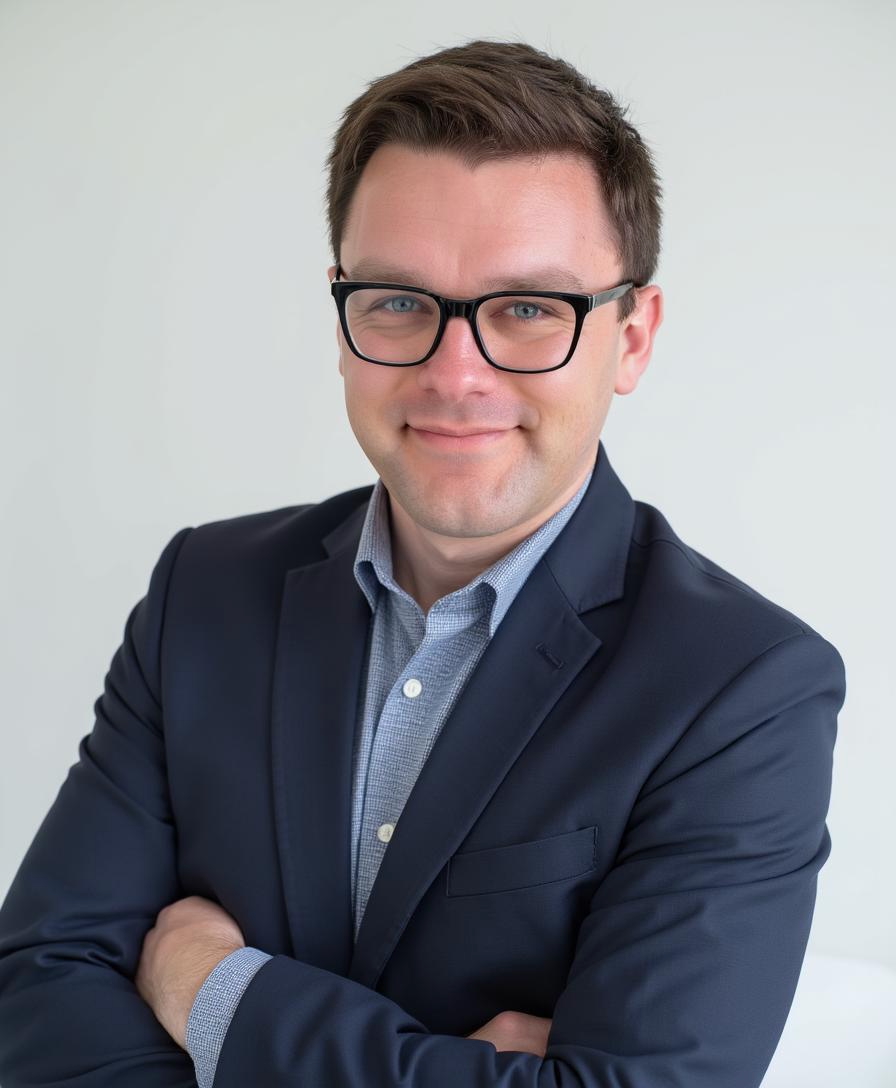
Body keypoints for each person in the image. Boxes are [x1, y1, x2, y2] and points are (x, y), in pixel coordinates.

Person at [0, 39, 845, 1088]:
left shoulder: (742, 687)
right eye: (399, 300)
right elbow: (38, 989)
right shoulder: (200, 594)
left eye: (529, 308)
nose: (456, 373)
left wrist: (207, 983)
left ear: (630, 337)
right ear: (342, 313)